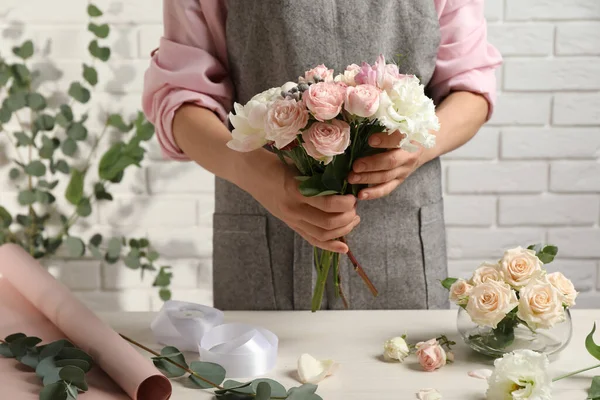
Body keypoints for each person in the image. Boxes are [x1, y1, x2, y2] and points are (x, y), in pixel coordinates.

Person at [142, 0, 502, 311]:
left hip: (402, 230)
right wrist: (260, 175)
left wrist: (419, 147)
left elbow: (471, 84)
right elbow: (180, 97)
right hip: (262, 224)